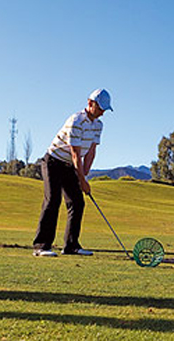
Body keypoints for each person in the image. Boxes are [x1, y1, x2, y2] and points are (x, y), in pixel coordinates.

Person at [33, 88, 112, 257]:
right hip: (53, 162)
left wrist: (84, 175)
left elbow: (91, 152)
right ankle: (41, 246)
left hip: (70, 165)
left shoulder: (98, 125)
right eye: (100, 109)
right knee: (53, 200)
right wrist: (82, 180)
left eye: (104, 110)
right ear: (90, 103)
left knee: (77, 202)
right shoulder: (76, 121)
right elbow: (76, 153)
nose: (102, 113)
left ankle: (71, 246)